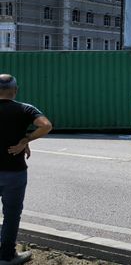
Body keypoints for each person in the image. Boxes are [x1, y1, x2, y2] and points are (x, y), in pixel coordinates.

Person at [0, 74, 52, 265]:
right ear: (16, 90)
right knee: (11, 215)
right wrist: (26, 140)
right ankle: (6, 257)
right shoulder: (25, 108)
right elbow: (46, 126)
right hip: (14, 172)